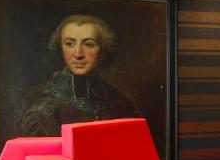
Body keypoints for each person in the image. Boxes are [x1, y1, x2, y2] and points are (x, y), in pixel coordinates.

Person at [13, 14, 141, 137]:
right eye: (69, 44)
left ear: (104, 49)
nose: (78, 54)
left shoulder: (121, 102)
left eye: (89, 44)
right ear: (60, 48)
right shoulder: (39, 103)